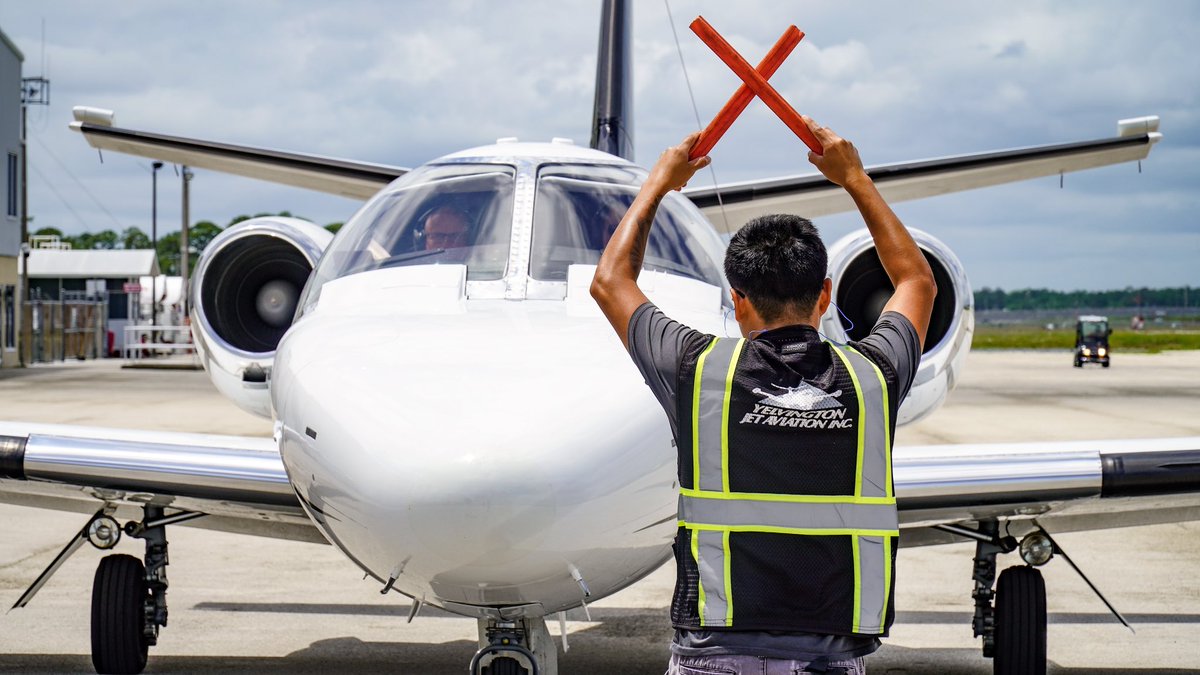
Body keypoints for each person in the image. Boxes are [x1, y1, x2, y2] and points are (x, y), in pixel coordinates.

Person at [590, 119, 936, 675]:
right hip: (832, 655)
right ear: (825, 292)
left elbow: (610, 280)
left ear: (738, 298)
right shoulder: (873, 375)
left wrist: (657, 183)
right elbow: (916, 281)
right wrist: (854, 179)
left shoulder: (696, 369)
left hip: (716, 654)